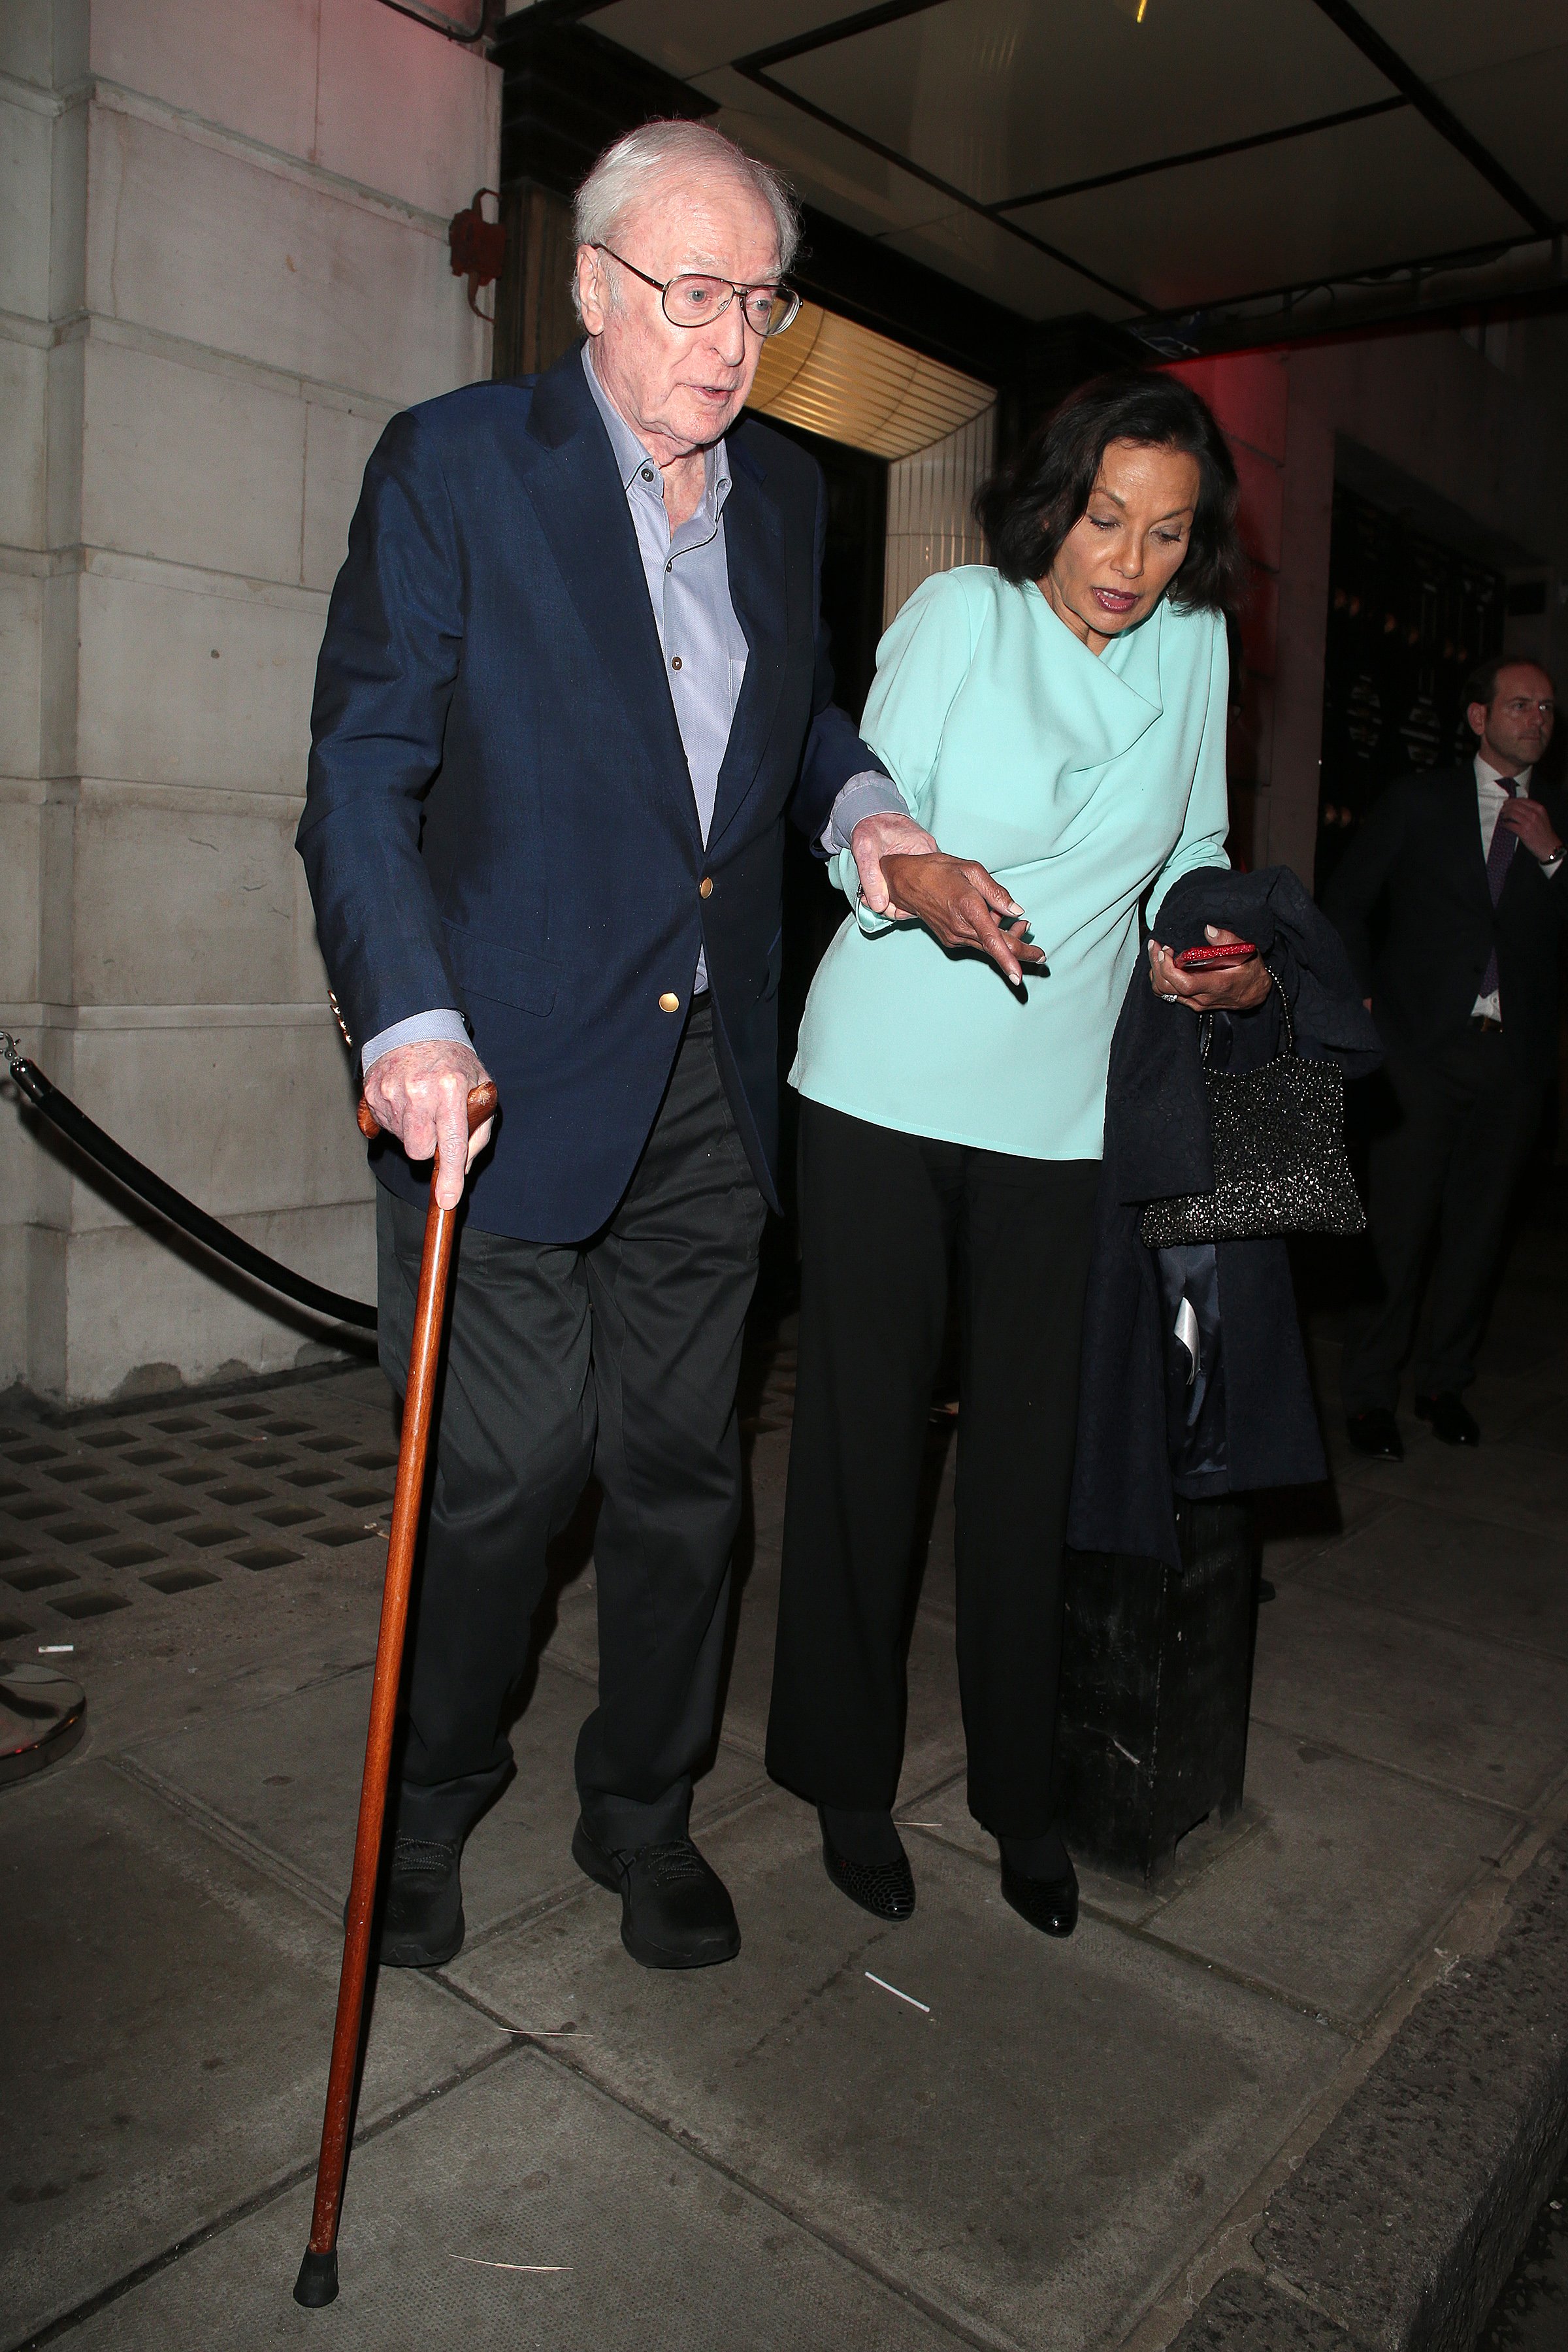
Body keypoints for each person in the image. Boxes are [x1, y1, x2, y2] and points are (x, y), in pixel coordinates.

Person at [297, 120, 920, 1974]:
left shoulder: (792, 499)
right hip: (498, 1078)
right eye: (694, 294)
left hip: (710, 1087)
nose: (733, 341)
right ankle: (429, 1794)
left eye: (760, 302)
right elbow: (361, 771)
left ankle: (638, 1808)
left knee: (684, 1477)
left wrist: (869, 809)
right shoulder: (459, 467)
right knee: (498, 1477)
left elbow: (786, 727)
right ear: (592, 288)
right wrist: (408, 1012)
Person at [764, 372, 1264, 1938]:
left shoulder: (1194, 651)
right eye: (1103, 517)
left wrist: (1210, 955)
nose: (1125, 559)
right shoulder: (959, 615)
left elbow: (1188, 853)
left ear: (1196, 545)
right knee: (863, 1437)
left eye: (1163, 532)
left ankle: (1017, 1796)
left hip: (1056, 1110)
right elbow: (866, 827)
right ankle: (844, 1776)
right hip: (883, 1078)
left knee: (1028, 1458)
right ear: (1055, 500)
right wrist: (918, 882)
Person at [1324, 657, 1564, 1456]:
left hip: (1514, 1060)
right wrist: (1361, 999)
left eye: (1547, 709)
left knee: (1479, 1231)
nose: (1536, 718)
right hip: (1421, 1052)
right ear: (1477, 716)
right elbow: (1350, 901)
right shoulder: (1422, 802)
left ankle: (1444, 1384)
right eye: (1520, 703)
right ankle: (1368, 1396)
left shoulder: (1556, 818)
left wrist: (1555, 857)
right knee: (1398, 1226)